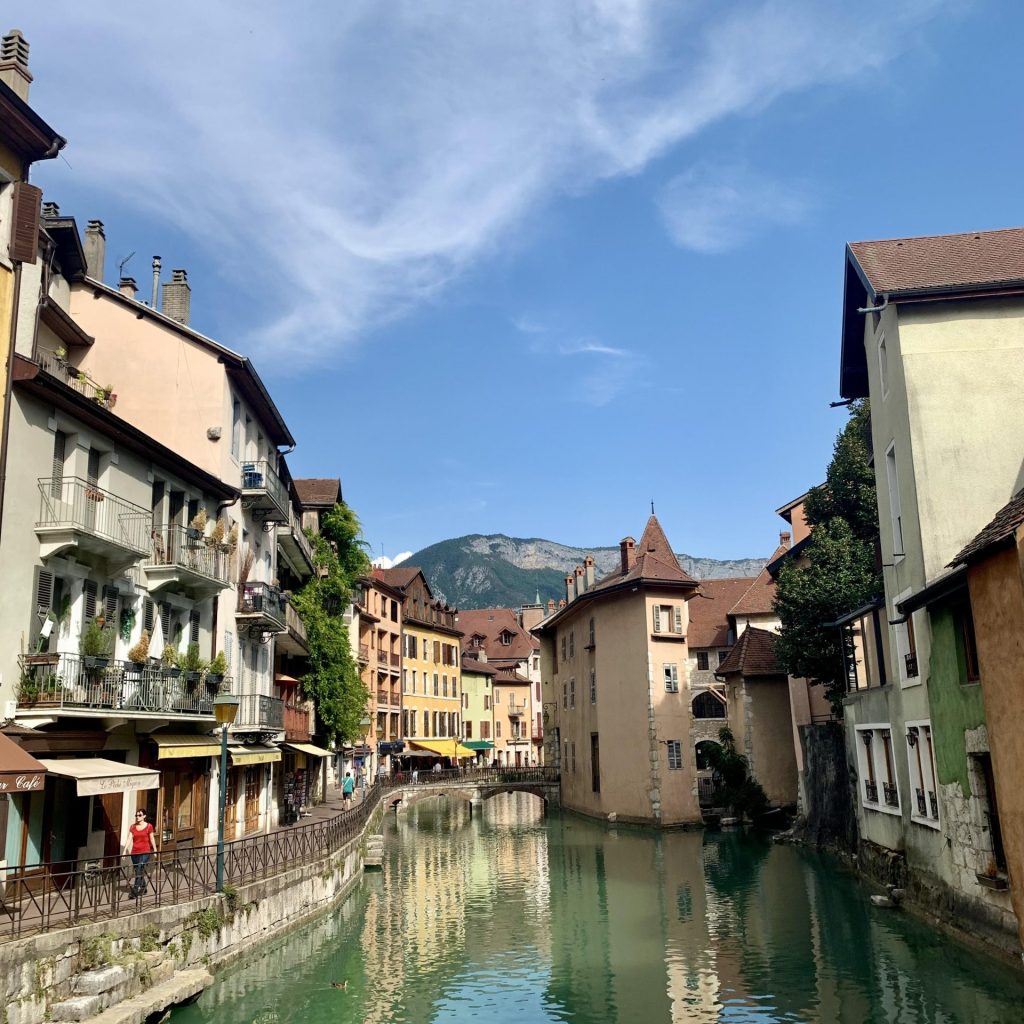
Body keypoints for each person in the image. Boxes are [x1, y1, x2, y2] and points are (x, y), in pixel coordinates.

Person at [124, 807, 157, 898]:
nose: (137, 817)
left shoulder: (149, 826)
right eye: (136, 815)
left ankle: (134, 891)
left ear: (144, 816)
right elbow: (129, 839)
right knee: (138, 870)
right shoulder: (133, 827)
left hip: (145, 852)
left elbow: (152, 838)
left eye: (139, 815)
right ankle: (143, 887)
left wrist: (155, 850)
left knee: (139, 868)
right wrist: (124, 850)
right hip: (134, 852)